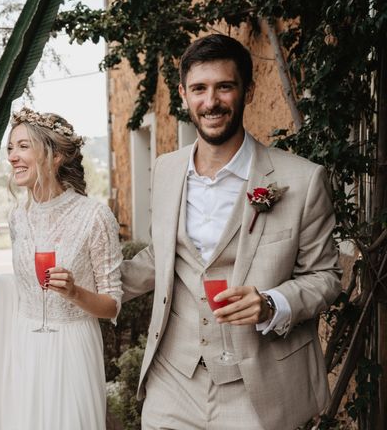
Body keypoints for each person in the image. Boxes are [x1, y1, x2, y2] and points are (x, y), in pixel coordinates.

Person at [120, 34, 342, 429]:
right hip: (174, 379)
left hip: (258, 386)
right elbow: (161, 258)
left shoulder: (302, 180)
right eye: (199, 89)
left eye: (225, 86)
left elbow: (325, 277)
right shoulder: (166, 169)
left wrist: (272, 303)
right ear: (183, 95)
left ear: (248, 92)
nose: (211, 102)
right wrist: (93, 280)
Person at [0, 107, 123, 430]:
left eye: (23, 146)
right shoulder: (19, 218)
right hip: (25, 346)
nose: (13, 157)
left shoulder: (94, 217)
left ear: (55, 155)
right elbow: (25, 287)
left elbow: (112, 305)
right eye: (10, 148)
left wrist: (74, 292)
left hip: (72, 350)